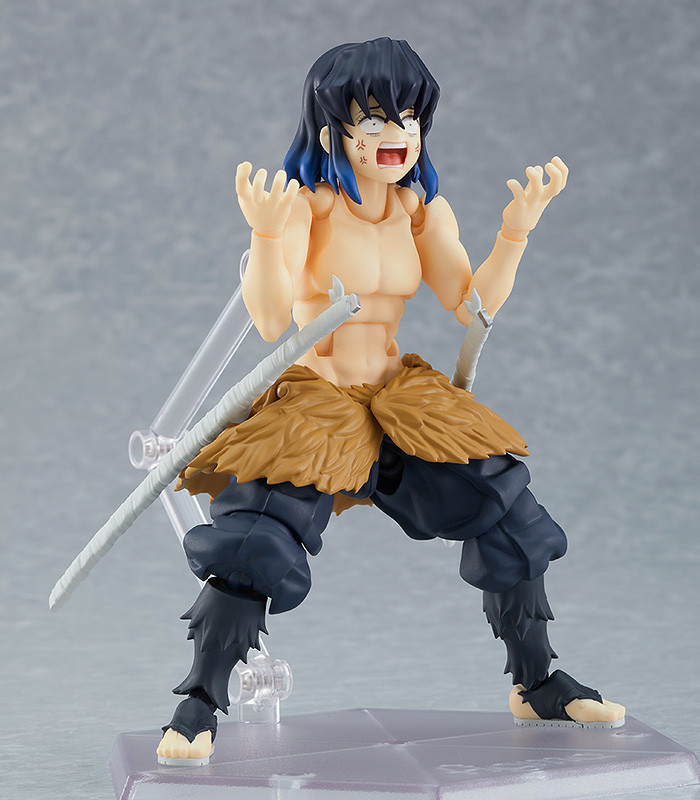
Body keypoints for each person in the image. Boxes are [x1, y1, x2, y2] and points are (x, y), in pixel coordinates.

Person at [156, 37, 624, 765]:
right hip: (319, 400)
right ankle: (198, 704)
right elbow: (272, 321)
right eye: (373, 119)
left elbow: (472, 305)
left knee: (507, 509)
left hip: (399, 397)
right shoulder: (306, 209)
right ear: (332, 131)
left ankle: (536, 682)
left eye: (407, 118)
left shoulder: (420, 213)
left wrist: (515, 234)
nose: (395, 135)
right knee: (254, 539)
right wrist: (266, 234)